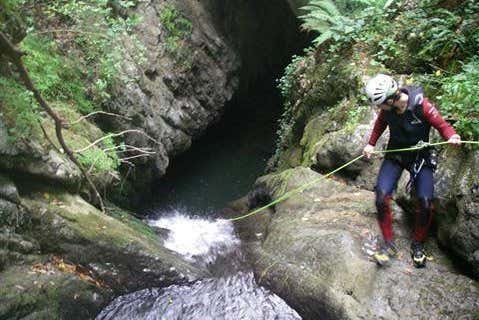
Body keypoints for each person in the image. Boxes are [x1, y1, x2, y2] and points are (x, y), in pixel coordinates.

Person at [363, 74, 461, 268]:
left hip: (420, 156)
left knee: (425, 202)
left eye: (380, 104)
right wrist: (370, 144)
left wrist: (452, 135)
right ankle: (389, 244)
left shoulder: (421, 105)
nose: (378, 109)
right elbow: (379, 125)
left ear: (391, 100)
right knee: (381, 196)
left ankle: (418, 243)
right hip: (396, 155)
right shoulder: (387, 110)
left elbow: (442, 125)